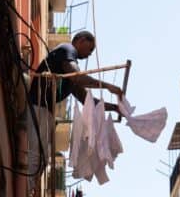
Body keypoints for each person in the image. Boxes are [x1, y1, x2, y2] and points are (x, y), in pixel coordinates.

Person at [25, 31, 122, 194]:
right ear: (81, 40)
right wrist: (107, 86)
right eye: (90, 49)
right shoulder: (67, 50)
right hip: (38, 106)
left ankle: (29, 188)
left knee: (42, 156)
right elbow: (78, 76)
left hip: (44, 110)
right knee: (36, 155)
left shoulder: (69, 72)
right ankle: (26, 189)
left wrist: (116, 108)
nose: (89, 54)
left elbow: (88, 101)